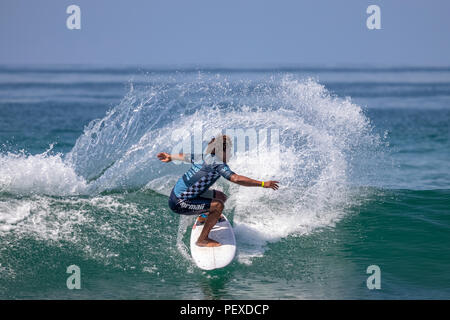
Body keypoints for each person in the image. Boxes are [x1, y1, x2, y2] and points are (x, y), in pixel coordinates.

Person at [157, 134, 279, 247]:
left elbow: (185, 156)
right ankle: (202, 240)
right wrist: (263, 184)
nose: (230, 154)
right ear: (221, 151)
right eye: (229, 151)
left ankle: (203, 216)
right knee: (218, 206)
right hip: (179, 202)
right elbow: (236, 178)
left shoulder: (203, 155)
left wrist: (170, 157)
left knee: (221, 196)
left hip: (181, 193)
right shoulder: (218, 164)